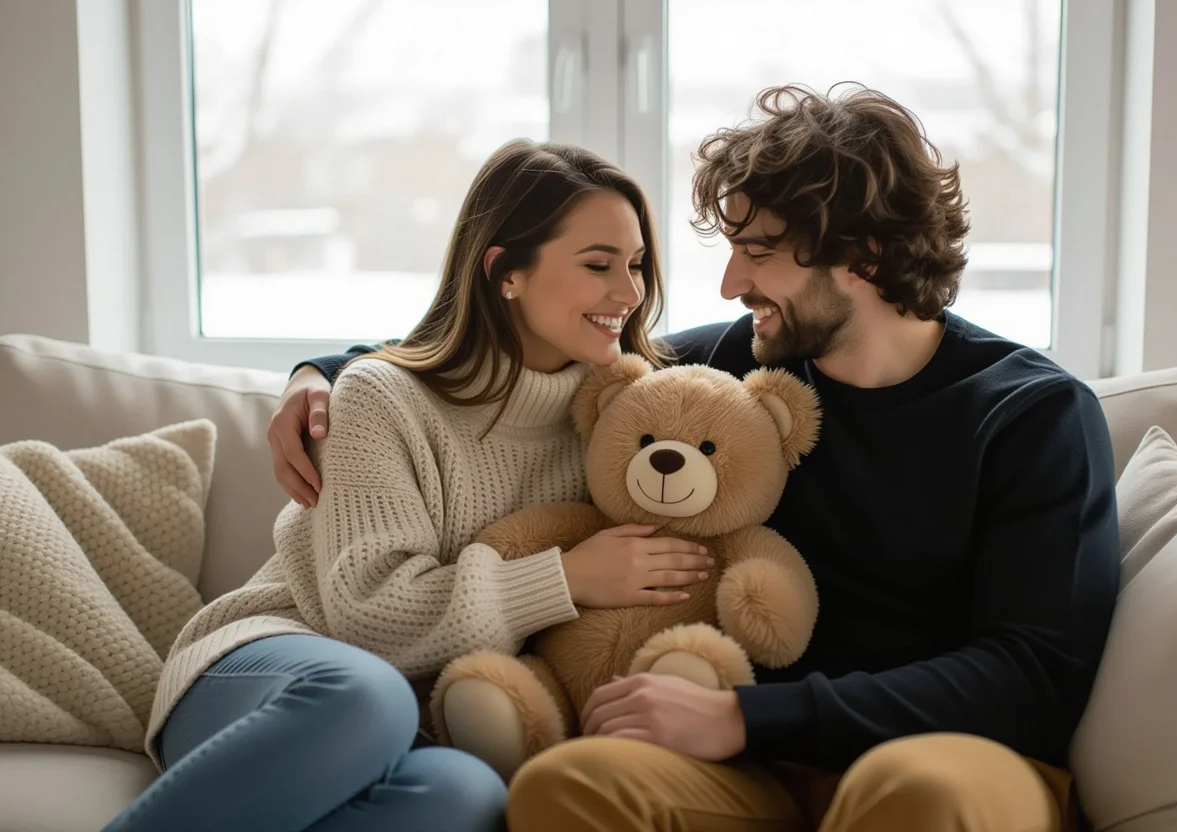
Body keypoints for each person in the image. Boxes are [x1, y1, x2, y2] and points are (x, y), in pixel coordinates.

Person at [271, 84, 1120, 832]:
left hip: (945, 759)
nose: (727, 285)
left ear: (861, 256)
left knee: (918, 794)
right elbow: (533, 353)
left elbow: (1033, 674)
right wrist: (329, 375)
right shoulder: (725, 369)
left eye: (758, 252)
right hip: (744, 766)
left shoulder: (1029, 413)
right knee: (571, 785)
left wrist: (754, 717)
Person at [104, 139, 718, 832]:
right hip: (279, 675)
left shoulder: (624, 416)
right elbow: (367, 614)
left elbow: (750, 344)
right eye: (599, 265)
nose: (630, 293)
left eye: (636, 265)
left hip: (419, 722)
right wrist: (566, 578)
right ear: (505, 272)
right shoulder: (379, 397)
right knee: (366, 697)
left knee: (466, 795)